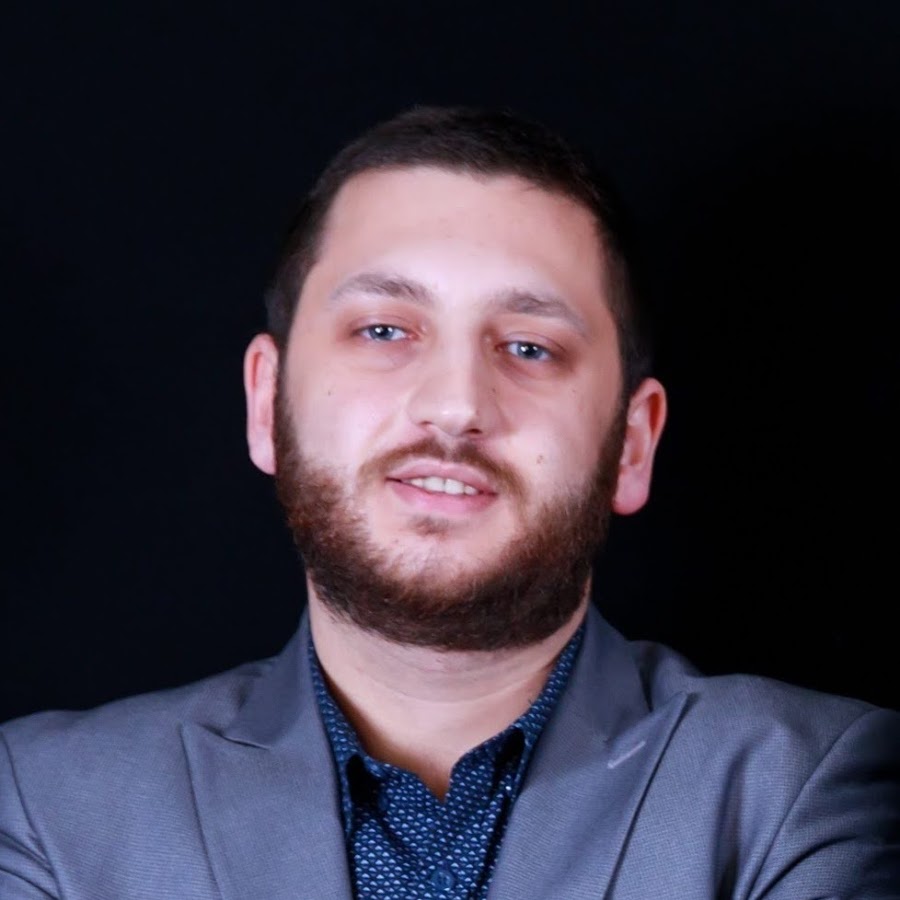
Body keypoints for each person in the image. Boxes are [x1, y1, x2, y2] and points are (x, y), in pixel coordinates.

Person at [1, 106, 898, 900]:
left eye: (530, 347)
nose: (456, 405)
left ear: (633, 443)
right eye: (384, 330)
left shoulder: (805, 787)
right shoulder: (43, 804)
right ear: (265, 402)